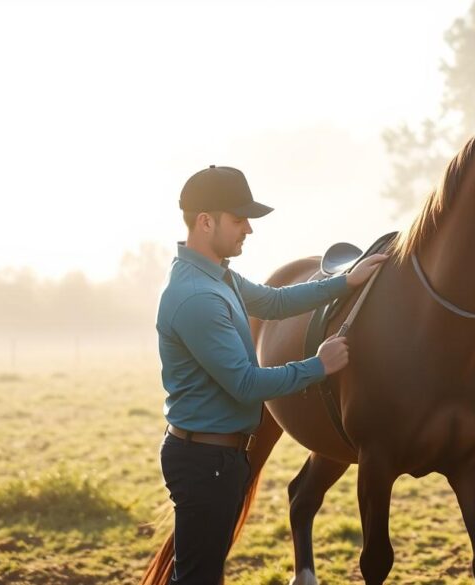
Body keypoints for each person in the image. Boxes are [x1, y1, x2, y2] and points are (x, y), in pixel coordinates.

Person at [155, 165, 386, 583]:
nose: (248, 229)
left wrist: (345, 283)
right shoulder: (197, 297)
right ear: (206, 221)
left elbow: (275, 302)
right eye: (239, 219)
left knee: (200, 575)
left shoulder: (217, 276)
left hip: (220, 459)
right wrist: (320, 365)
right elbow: (247, 383)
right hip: (207, 463)